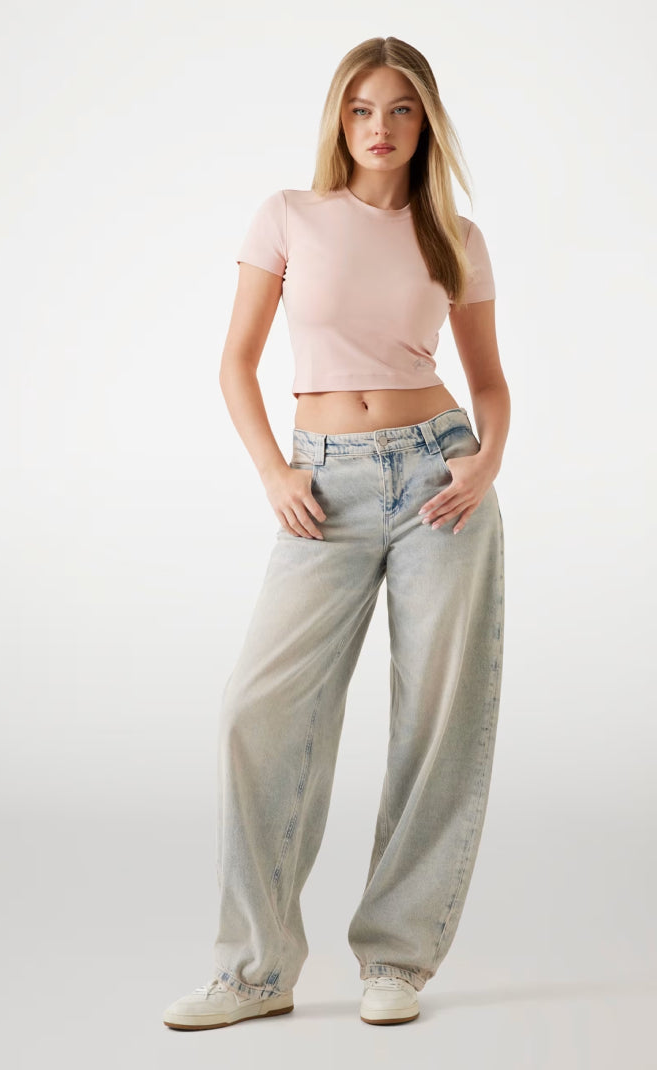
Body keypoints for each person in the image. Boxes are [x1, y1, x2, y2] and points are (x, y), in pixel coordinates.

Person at [163, 34, 509, 1031]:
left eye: (400, 109)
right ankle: (254, 969)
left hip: (440, 478)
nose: (379, 127)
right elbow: (235, 362)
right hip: (323, 483)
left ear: (425, 122)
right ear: (338, 119)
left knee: (434, 719)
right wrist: (275, 472)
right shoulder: (289, 215)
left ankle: (396, 958)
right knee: (256, 709)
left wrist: (487, 458)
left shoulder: (454, 235)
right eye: (361, 109)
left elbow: (488, 381)